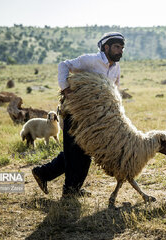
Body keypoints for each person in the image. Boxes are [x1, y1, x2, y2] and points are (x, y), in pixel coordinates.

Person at [32, 32, 125, 196]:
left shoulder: (116, 68)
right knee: (74, 152)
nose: (121, 51)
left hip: (94, 118)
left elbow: (114, 90)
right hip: (74, 113)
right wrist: (65, 89)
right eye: (117, 47)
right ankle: (69, 192)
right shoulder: (90, 60)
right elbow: (64, 65)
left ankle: (46, 175)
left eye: (122, 47)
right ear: (106, 47)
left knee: (84, 152)